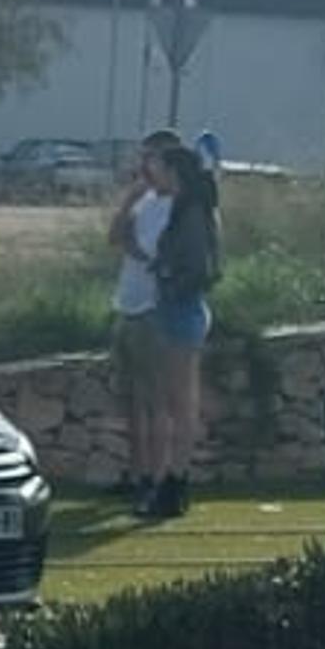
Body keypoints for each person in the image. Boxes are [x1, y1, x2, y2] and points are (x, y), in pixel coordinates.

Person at [139, 145, 221, 518]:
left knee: (179, 403)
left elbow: (200, 267)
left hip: (181, 309)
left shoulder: (191, 212)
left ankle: (175, 480)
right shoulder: (188, 208)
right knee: (175, 400)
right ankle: (172, 480)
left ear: (174, 171)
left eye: (159, 166)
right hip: (176, 309)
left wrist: (168, 277)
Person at [106, 128, 184, 503]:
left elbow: (147, 254)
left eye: (151, 158)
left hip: (153, 310)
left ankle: (157, 476)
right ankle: (136, 473)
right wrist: (126, 204)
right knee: (132, 400)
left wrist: (127, 238)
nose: (144, 166)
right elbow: (114, 236)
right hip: (127, 304)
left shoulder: (176, 207)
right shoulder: (145, 200)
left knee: (156, 401)